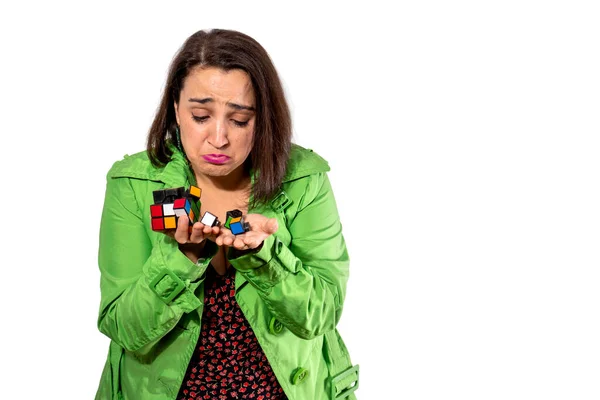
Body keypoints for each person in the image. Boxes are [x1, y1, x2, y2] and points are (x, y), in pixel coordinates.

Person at [95, 28, 359, 400]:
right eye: (201, 115)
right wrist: (180, 258)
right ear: (175, 108)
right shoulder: (134, 184)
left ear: (263, 118)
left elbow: (322, 313)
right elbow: (124, 328)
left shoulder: (303, 179)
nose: (218, 138)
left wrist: (264, 258)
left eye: (239, 120)